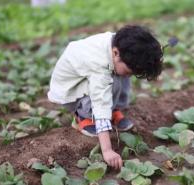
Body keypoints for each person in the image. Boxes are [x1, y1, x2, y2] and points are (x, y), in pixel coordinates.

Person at [48, 25, 164, 169]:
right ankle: (83, 117)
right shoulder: (98, 63)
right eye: (130, 70)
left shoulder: (121, 45)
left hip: (88, 77)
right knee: (111, 83)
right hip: (71, 92)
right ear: (115, 53)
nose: (131, 74)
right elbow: (100, 101)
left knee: (120, 75)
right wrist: (107, 150)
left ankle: (113, 110)